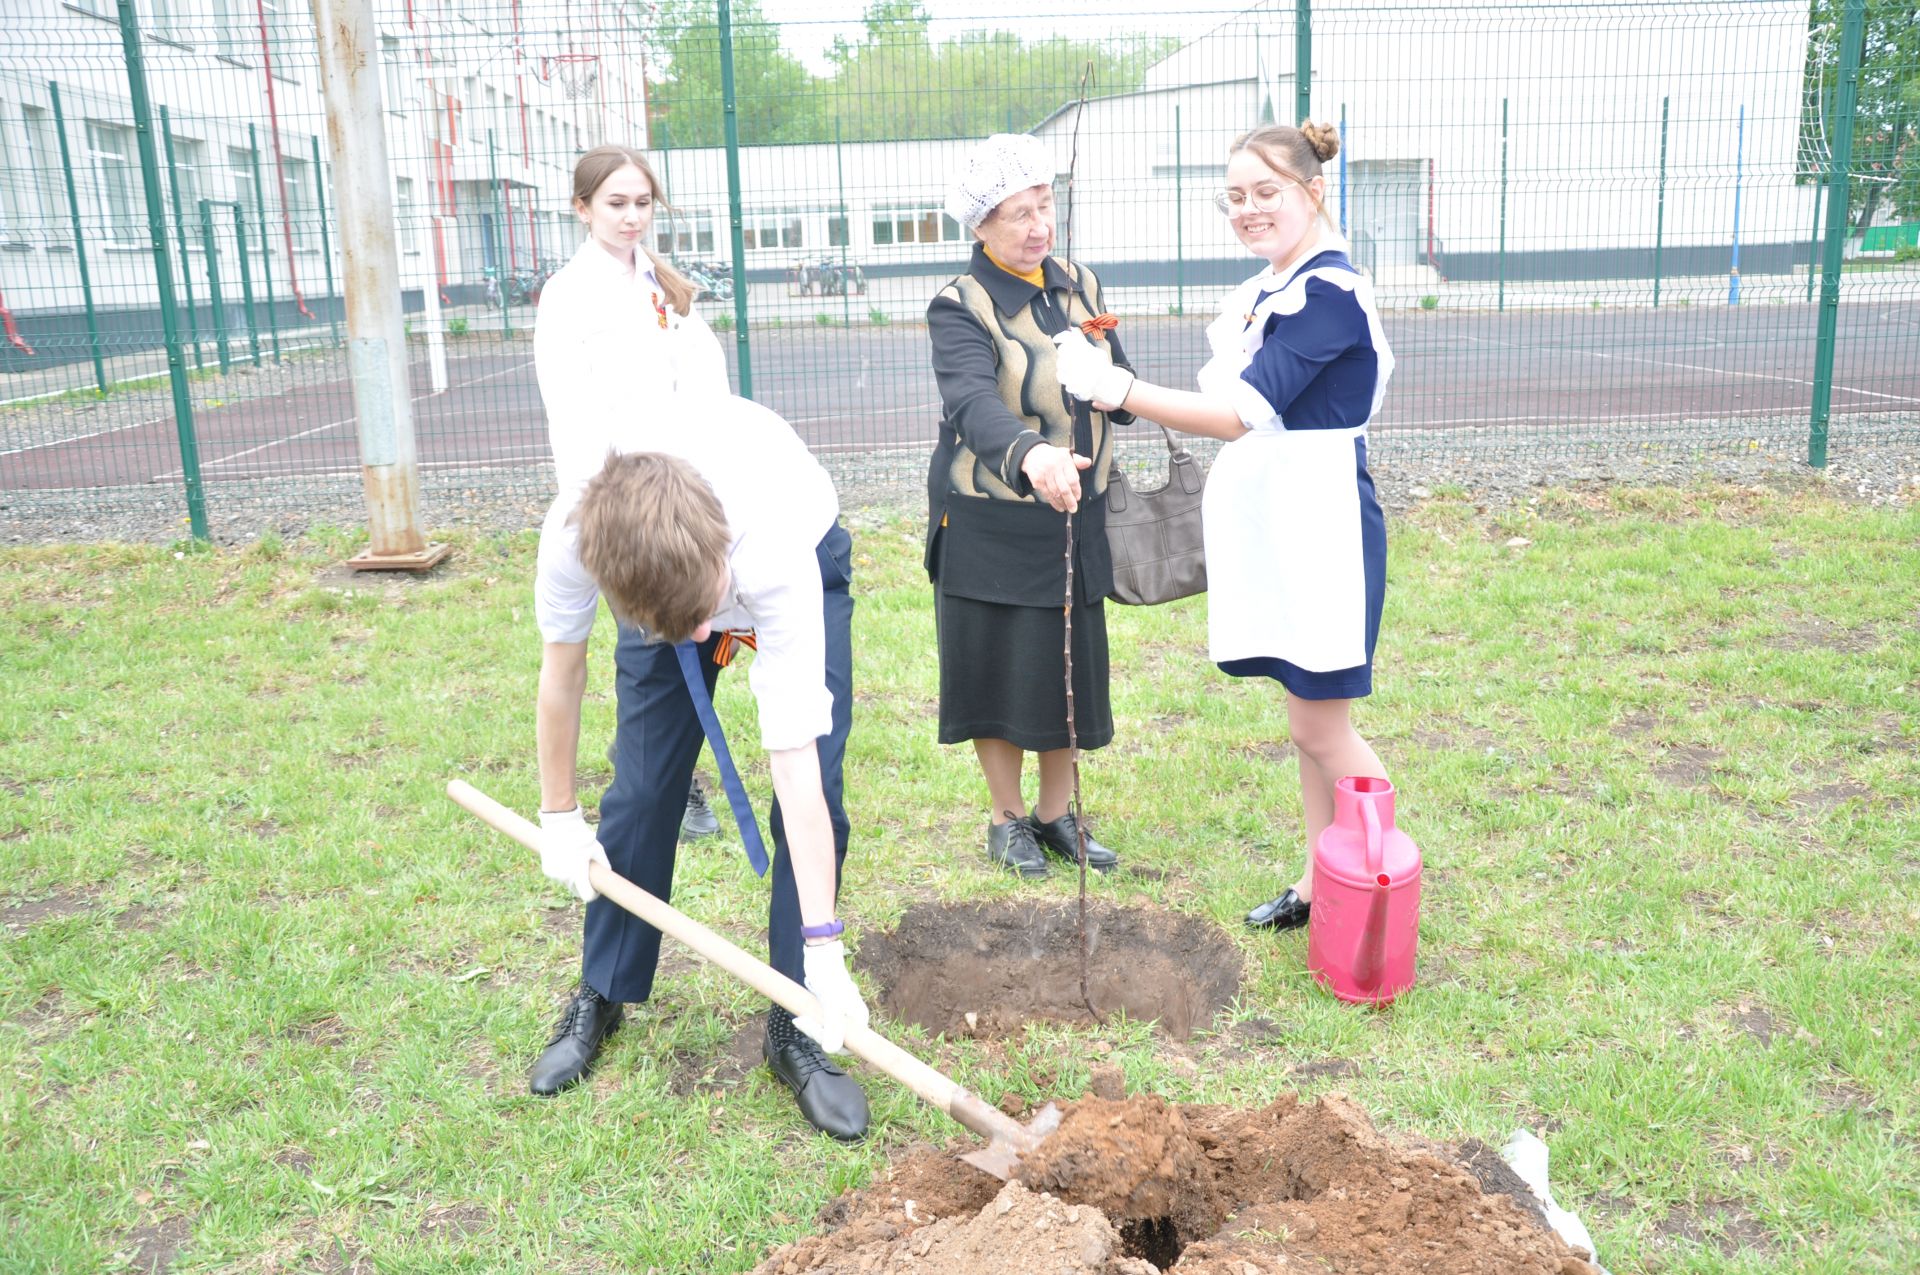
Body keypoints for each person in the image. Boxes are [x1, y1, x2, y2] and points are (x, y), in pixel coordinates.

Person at [526, 145, 870, 1140]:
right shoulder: (580, 539)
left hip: (790, 539)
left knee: (823, 781)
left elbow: (794, 768)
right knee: (640, 789)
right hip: (664, 548)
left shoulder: (770, 556)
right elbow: (562, 677)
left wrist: (825, 947)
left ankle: (797, 1017)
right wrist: (557, 814)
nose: (703, 641)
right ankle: (605, 988)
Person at [1051, 120, 1394, 933]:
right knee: (1305, 709)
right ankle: (1322, 884)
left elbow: (1241, 413)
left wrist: (1116, 387)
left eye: (1266, 192)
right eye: (1234, 197)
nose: (1248, 210)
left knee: (1321, 720)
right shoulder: (1275, 284)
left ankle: (1377, 891)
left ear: (1313, 191)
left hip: (1323, 523)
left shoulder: (1328, 293)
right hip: (1283, 516)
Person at [924, 133, 1134, 879]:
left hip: (1077, 511)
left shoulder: (1080, 282)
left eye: (1045, 205)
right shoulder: (960, 305)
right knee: (999, 668)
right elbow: (971, 403)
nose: (1038, 226)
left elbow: (1124, 384)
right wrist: (1031, 454)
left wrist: (1107, 376)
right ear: (980, 226)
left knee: (1066, 665)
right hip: (991, 516)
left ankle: (1055, 814)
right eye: (1018, 214)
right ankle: (1006, 817)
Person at [535, 144, 726, 843]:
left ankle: (669, 769)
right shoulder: (568, 295)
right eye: (615, 203)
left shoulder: (662, 285)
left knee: (707, 638)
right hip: (624, 505)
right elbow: (570, 410)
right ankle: (663, 783)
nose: (631, 216)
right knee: (650, 646)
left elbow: (707, 389)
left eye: (642, 202)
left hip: (687, 498)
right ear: (581, 207)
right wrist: (606, 513)